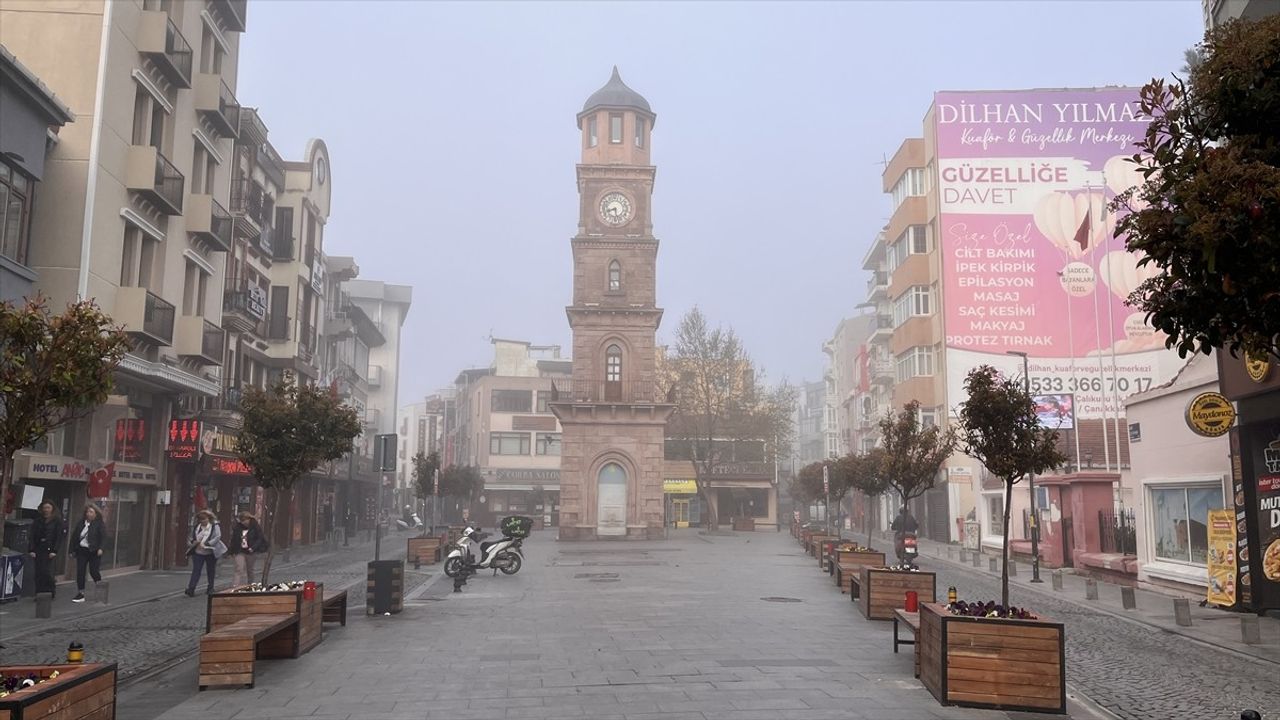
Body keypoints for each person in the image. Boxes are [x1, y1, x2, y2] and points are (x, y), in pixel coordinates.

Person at [67, 504, 106, 603]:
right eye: (88, 512)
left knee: (93, 571)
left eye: (91, 512)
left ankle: (100, 586)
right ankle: (81, 593)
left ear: (96, 514)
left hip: (94, 551)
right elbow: (74, 537)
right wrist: (71, 550)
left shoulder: (99, 524)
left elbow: (103, 538)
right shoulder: (81, 523)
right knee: (80, 571)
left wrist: (101, 548)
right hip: (82, 550)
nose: (89, 514)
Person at [185, 510, 225, 596]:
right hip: (198, 552)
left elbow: (217, 537)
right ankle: (191, 588)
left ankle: (210, 587)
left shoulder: (214, 526)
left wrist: (207, 543)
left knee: (211, 570)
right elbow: (191, 537)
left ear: (209, 518)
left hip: (210, 551)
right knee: (196, 570)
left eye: (204, 519)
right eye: (200, 519)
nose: (202, 521)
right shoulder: (197, 527)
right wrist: (193, 542)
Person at [29, 501, 63, 598]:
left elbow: (58, 536)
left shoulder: (57, 521)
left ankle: (50, 590)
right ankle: (39, 592)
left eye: (48, 508)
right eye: (45, 508)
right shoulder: (38, 520)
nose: (46, 510)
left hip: (50, 549)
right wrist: (31, 549)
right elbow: (32, 535)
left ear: (52, 509)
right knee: (38, 572)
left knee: (46, 571)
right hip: (39, 548)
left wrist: (54, 550)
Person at [226, 512, 268, 587]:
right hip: (240, 550)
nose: (243, 522)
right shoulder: (238, 527)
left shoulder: (255, 526)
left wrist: (253, 547)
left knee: (250, 570)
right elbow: (234, 539)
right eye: (241, 520)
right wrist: (230, 552)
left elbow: (259, 538)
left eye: (245, 520)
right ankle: (235, 586)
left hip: (251, 551)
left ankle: (250, 585)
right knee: (239, 568)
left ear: (249, 519)